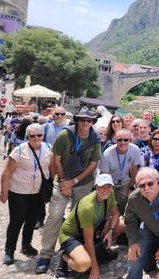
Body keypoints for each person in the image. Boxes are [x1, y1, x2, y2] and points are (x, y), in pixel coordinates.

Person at [35, 109, 102, 274]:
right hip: (63, 181)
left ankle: (67, 255)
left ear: (93, 122)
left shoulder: (95, 139)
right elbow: (56, 158)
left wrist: (75, 181)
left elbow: (93, 164)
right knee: (55, 216)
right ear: (78, 120)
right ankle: (46, 254)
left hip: (83, 183)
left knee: (78, 221)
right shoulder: (65, 135)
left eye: (89, 120)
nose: (86, 123)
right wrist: (64, 181)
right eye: (83, 120)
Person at [0, 123, 52, 265]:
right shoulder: (19, 150)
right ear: (27, 137)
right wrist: (4, 192)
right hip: (19, 192)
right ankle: (9, 250)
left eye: (39, 135)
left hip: (37, 193)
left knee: (31, 221)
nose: (36, 138)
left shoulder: (48, 148)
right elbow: (7, 172)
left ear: (43, 135)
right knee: (16, 222)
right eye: (32, 136)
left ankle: (26, 245)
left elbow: (52, 168)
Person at [57, 174, 121, 279]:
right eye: (101, 186)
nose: (105, 190)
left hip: (91, 230)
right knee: (84, 265)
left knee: (121, 225)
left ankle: (100, 251)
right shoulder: (87, 206)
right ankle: (64, 257)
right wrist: (95, 269)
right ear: (96, 187)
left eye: (108, 186)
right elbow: (88, 241)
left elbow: (116, 213)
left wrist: (110, 231)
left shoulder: (110, 194)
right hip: (70, 235)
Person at [98, 129, 141, 215]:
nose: (123, 142)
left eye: (126, 140)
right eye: (119, 140)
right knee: (108, 208)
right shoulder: (108, 153)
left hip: (125, 183)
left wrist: (131, 188)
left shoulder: (135, 150)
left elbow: (135, 169)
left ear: (130, 139)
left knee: (123, 207)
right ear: (115, 140)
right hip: (110, 183)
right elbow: (103, 175)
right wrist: (106, 190)